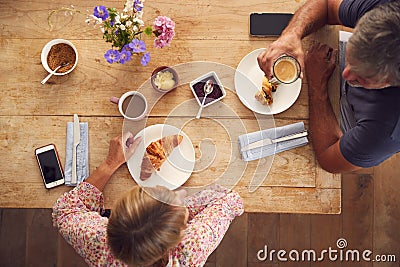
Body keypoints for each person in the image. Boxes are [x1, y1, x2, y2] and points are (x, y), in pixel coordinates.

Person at [52, 133, 244, 267]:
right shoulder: (192, 247)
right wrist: (185, 206)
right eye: (178, 199)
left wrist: (111, 162)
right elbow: (230, 200)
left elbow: (64, 211)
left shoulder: (96, 238)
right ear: (181, 234)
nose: (181, 194)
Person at [257, 0, 400, 173]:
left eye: (363, 77)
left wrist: (318, 84)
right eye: (351, 58)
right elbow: (326, 5)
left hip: (358, 123)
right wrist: (292, 34)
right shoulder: (387, 12)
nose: (345, 75)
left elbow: (328, 160)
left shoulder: (386, 133)